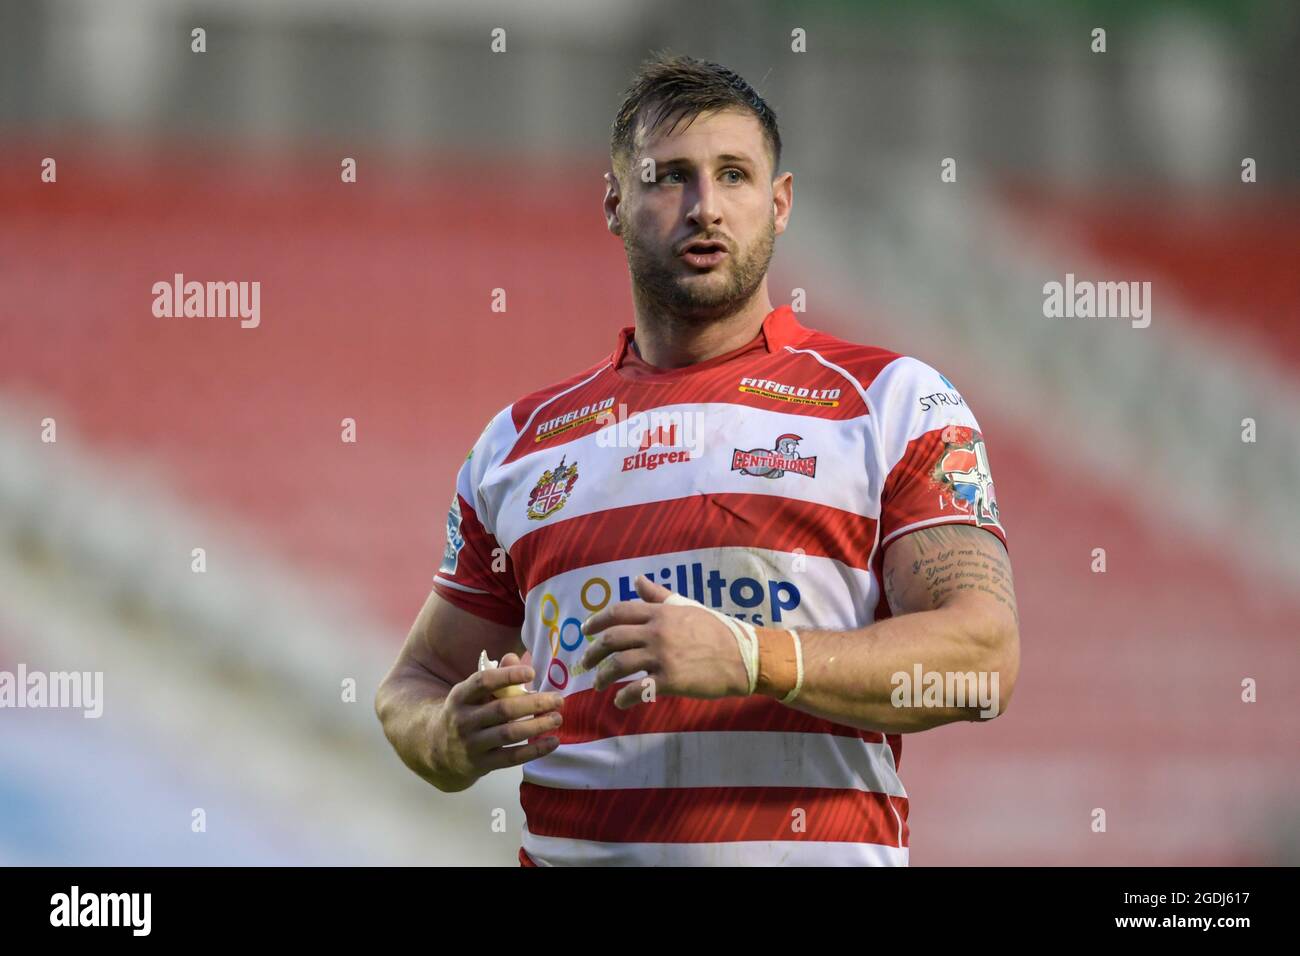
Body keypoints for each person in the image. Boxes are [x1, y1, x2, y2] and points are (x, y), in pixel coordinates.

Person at [376, 52, 1020, 866]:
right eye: (670, 177)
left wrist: (752, 656)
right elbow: (414, 684)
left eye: (734, 176)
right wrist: (449, 737)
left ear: (780, 204)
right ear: (615, 201)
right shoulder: (519, 444)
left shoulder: (892, 402)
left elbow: (984, 663)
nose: (705, 207)